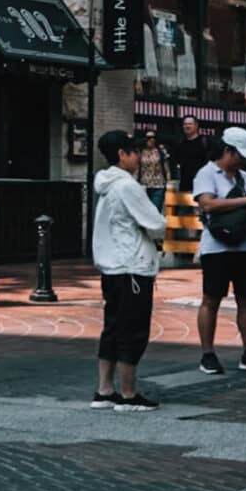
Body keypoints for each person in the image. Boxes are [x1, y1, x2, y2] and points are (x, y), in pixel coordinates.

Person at [92, 129, 168, 411]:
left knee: (112, 328)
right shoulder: (127, 186)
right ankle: (128, 393)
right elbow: (156, 223)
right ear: (122, 155)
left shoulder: (106, 184)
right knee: (133, 330)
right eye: (134, 151)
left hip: (112, 267)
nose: (138, 156)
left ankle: (104, 389)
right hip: (132, 267)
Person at [192, 127, 246, 375]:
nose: (242, 160)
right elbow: (207, 203)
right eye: (239, 155)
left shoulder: (243, 176)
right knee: (211, 299)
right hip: (216, 247)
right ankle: (207, 354)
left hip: (245, 244)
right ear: (227, 150)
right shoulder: (207, 173)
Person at [136, 130, 170, 220]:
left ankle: (154, 232)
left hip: (158, 184)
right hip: (144, 185)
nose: (152, 140)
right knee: (144, 211)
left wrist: (169, 182)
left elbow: (166, 167)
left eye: (153, 137)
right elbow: (136, 168)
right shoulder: (140, 152)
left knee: (155, 211)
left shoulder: (160, 151)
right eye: (149, 138)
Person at [172, 116, 209, 196]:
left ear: (196, 126)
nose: (187, 126)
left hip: (202, 185)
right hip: (184, 185)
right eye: (185, 124)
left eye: (190, 124)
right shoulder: (180, 143)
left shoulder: (205, 142)